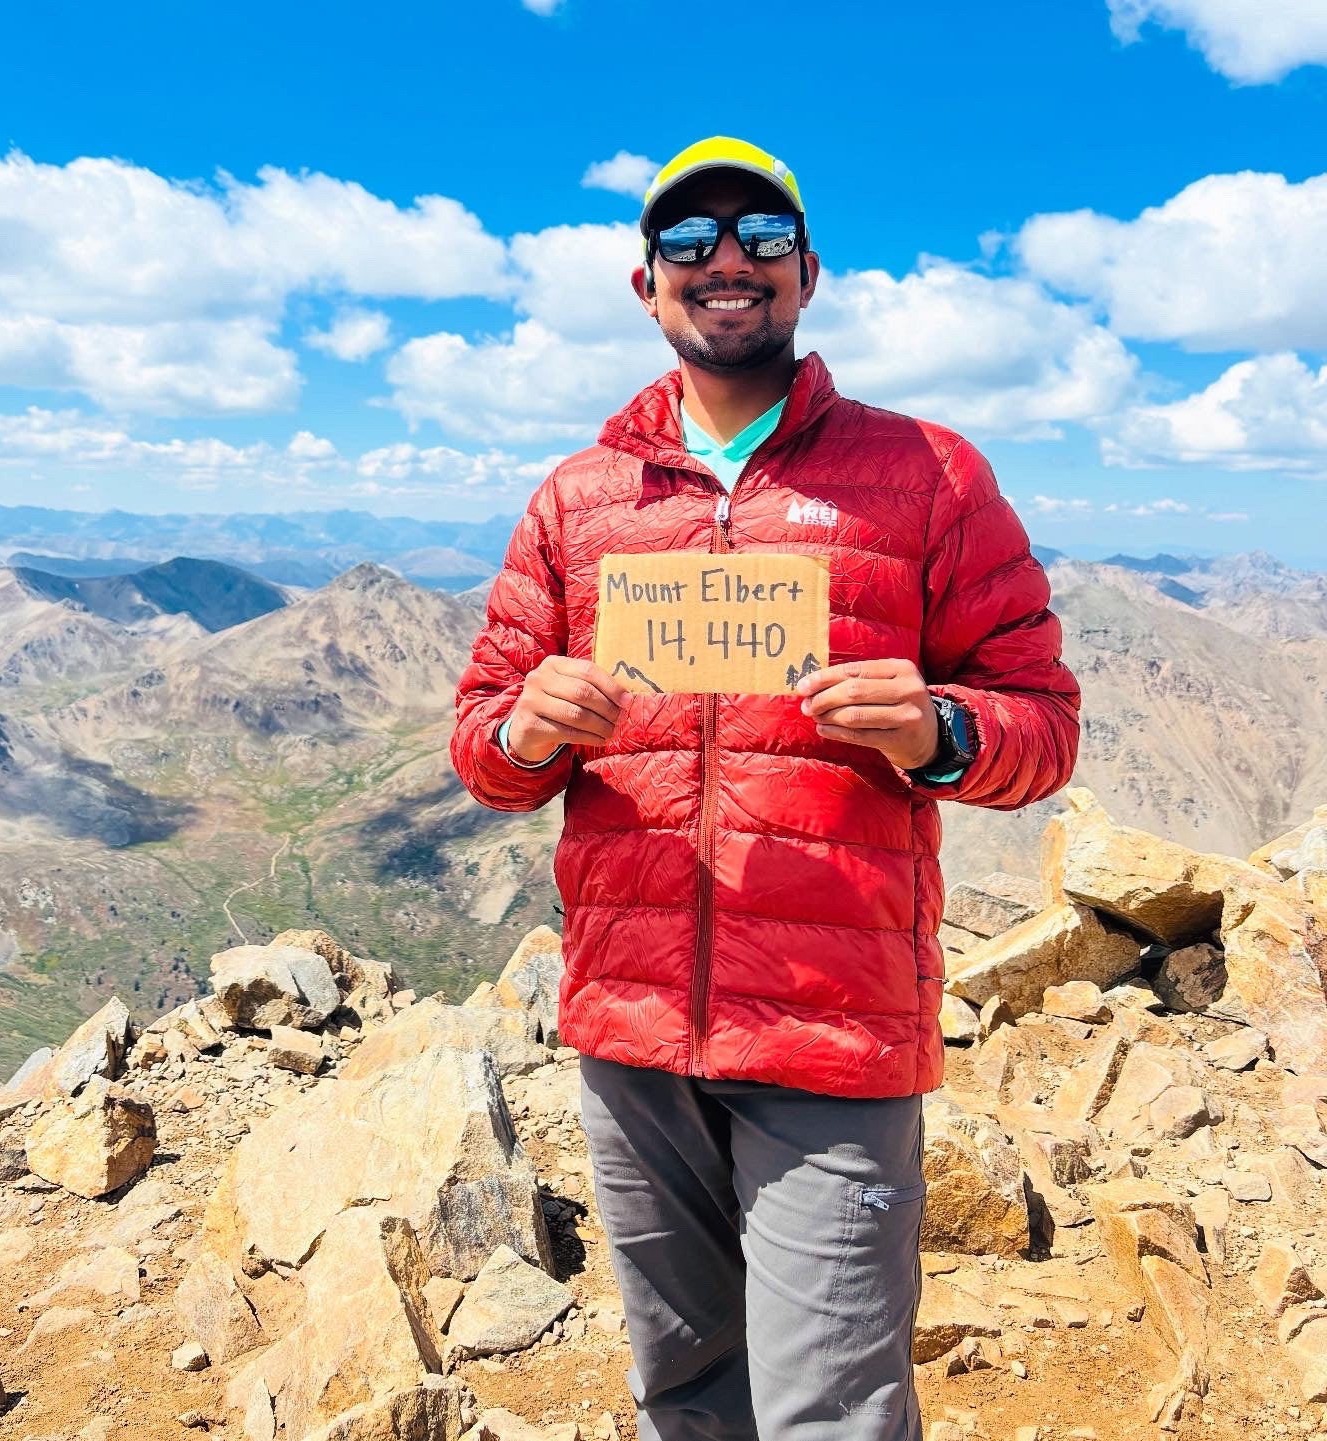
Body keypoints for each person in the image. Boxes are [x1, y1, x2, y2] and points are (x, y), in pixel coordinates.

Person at [450, 136, 1081, 1441]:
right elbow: (481, 747)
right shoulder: (578, 500)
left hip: (831, 1039)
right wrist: (526, 733)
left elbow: (1044, 725)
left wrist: (940, 727)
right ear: (647, 284)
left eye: (758, 237)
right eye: (689, 241)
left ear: (808, 275)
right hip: (630, 1039)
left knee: (829, 1414)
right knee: (683, 1393)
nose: (723, 262)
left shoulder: (929, 477)